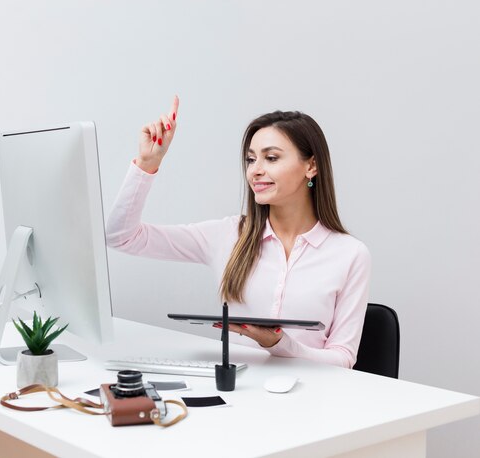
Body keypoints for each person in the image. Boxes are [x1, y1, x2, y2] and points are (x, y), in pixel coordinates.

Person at [105, 96, 370, 368]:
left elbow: (343, 359)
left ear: (311, 166)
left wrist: (278, 343)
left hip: (315, 397)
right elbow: (121, 236)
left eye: (271, 158)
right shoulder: (229, 235)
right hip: (237, 394)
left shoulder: (350, 254)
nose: (255, 170)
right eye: (251, 159)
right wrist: (147, 164)